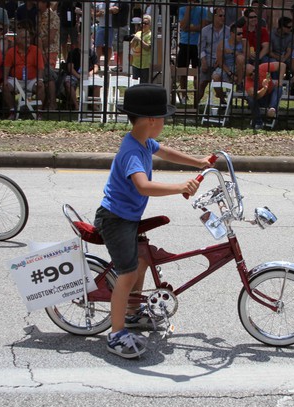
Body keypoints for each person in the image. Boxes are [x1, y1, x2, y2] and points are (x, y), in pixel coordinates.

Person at [94, 83, 211, 359]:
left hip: (127, 216)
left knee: (143, 261)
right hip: (115, 220)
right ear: (150, 120)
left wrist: (198, 162)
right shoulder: (132, 152)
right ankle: (116, 334)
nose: (163, 124)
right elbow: (143, 186)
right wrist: (181, 186)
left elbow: (166, 152)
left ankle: (133, 313)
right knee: (127, 273)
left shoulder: (143, 141)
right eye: (162, 119)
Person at [2, 27, 45, 120]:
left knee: (41, 87)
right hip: (16, 80)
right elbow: (6, 68)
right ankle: (13, 111)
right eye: (24, 38)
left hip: (31, 79)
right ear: (17, 40)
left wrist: (40, 80)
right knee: (5, 86)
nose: (27, 40)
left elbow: (40, 67)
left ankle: (39, 113)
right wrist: (5, 80)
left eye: (28, 37)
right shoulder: (11, 52)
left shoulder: (35, 50)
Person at [177, 0, 209, 101]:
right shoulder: (182, 9)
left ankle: (197, 96)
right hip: (184, 43)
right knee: (182, 70)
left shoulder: (203, 10)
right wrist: (188, 10)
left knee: (197, 71)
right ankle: (184, 95)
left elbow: (203, 27)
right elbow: (182, 26)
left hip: (198, 44)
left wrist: (189, 28)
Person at [198, 7, 229, 104]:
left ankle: (223, 101)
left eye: (224, 16)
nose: (222, 18)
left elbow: (230, 47)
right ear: (214, 16)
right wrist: (203, 61)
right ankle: (195, 107)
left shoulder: (228, 31)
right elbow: (200, 48)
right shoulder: (205, 30)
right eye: (220, 15)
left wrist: (221, 59)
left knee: (216, 80)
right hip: (207, 60)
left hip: (222, 62)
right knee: (202, 84)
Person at [244, 60, 286, 129]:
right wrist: (264, 88)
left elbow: (283, 65)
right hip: (260, 99)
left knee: (279, 88)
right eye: (250, 74)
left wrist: (280, 80)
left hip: (271, 95)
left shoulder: (262, 67)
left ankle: (272, 109)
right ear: (247, 75)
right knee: (250, 99)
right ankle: (258, 122)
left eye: (254, 71)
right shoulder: (248, 81)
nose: (254, 74)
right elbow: (256, 96)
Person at [130, 14, 152, 83]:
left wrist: (139, 39)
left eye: (146, 23)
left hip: (145, 64)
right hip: (136, 63)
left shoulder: (150, 34)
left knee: (143, 83)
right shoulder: (138, 33)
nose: (144, 25)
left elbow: (148, 47)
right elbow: (132, 46)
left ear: (150, 25)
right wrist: (133, 40)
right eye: (142, 23)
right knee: (135, 83)